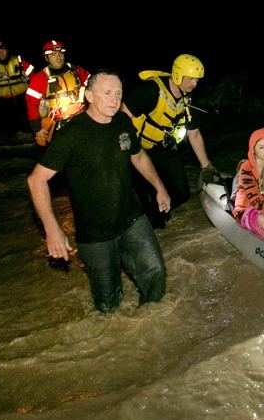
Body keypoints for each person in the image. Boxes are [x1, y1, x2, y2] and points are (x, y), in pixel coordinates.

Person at [27, 70, 170, 313]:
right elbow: (36, 180)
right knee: (108, 304)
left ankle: (153, 331)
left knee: (155, 274)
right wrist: (52, 229)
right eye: (107, 93)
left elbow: (138, 156)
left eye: (118, 94)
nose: (114, 100)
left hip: (131, 217)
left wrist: (160, 187)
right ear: (90, 95)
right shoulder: (71, 134)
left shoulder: (124, 122)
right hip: (94, 234)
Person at [124, 54, 216, 228]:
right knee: (145, 197)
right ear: (177, 75)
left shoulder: (187, 97)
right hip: (138, 150)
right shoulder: (151, 90)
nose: (195, 84)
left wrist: (206, 166)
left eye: (197, 80)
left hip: (163, 148)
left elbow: (194, 133)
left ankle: (159, 209)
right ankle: (147, 221)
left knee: (182, 193)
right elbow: (123, 115)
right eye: (191, 79)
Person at [25, 40, 90, 147]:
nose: (58, 57)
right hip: (57, 126)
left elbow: (94, 88)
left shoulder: (77, 71)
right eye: (53, 55)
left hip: (82, 120)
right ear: (46, 58)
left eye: (60, 53)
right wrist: (38, 130)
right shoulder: (39, 79)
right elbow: (31, 106)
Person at [0, 40, 34, 145]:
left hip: (22, 98)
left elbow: (34, 76)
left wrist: (28, 78)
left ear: (7, 50)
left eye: (3, 49)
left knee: (28, 123)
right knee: (4, 128)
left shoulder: (19, 61)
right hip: (2, 102)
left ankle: (30, 139)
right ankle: (7, 143)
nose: (1, 52)